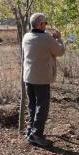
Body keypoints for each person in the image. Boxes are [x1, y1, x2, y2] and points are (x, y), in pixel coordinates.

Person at [22, 13, 65, 147]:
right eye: (45, 23)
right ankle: (37, 135)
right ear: (40, 24)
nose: (46, 25)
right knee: (42, 107)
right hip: (42, 79)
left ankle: (30, 131)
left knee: (32, 105)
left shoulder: (26, 36)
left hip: (29, 77)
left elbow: (40, 46)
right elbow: (60, 51)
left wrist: (51, 40)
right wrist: (59, 39)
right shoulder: (47, 38)